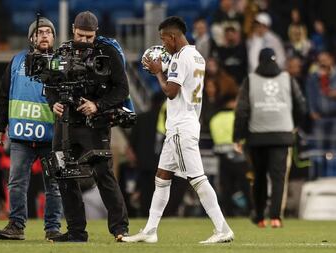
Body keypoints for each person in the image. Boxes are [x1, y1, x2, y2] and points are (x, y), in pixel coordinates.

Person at [122, 16, 234, 244]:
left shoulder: (179, 58)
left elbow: (171, 91)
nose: (163, 45)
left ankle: (222, 228)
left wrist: (157, 72)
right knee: (161, 178)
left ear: (173, 37)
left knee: (197, 178)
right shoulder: (197, 56)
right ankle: (150, 230)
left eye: (164, 40)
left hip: (181, 127)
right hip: (183, 123)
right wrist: (166, 66)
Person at [46, 11, 129, 242]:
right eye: (80, 35)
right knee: (63, 174)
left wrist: (98, 105)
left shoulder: (108, 52)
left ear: (96, 33)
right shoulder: (61, 52)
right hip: (66, 123)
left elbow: (122, 90)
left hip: (95, 124)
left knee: (103, 173)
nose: (84, 40)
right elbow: (50, 85)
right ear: (73, 29)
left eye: (89, 36)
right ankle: (76, 232)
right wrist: (54, 103)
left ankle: (120, 229)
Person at [0, 17, 62, 240]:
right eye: (39, 32)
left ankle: (53, 229)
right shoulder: (16, 61)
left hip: (52, 137)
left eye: (48, 32)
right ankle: (16, 226)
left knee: (54, 186)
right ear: (31, 37)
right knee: (16, 183)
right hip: (21, 136)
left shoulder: (61, 62)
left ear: (53, 37)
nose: (44, 35)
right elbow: (4, 96)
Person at [233, 48, 306, 228]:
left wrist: (238, 137)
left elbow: (241, 111)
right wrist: (293, 125)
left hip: (256, 137)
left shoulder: (250, 80)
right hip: (282, 136)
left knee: (259, 177)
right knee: (279, 178)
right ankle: (275, 217)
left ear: (259, 60)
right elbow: (301, 105)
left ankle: (259, 217)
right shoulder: (288, 79)